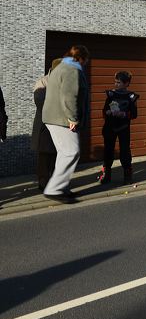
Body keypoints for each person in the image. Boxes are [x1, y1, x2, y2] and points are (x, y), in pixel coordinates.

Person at [41, 45, 90, 203]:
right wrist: (72, 119)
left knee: (64, 153)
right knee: (71, 152)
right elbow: (69, 96)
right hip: (62, 119)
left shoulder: (61, 67)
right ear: (81, 58)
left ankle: (61, 187)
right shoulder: (71, 69)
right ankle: (54, 189)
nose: (86, 63)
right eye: (86, 60)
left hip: (54, 118)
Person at [99, 71, 139, 185]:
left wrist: (124, 114)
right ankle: (106, 174)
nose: (116, 84)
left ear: (126, 83)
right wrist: (107, 112)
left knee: (125, 151)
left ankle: (127, 174)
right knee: (108, 150)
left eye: (119, 82)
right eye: (115, 82)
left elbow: (135, 114)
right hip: (110, 126)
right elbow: (104, 110)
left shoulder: (131, 97)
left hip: (124, 127)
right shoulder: (110, 94)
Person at [32, 59, 62, 191]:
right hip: (45, 125)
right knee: (44, 155)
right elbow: (40, 103)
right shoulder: (43, 82)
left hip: (60, 126)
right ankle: (43, 182)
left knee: (57, 154)